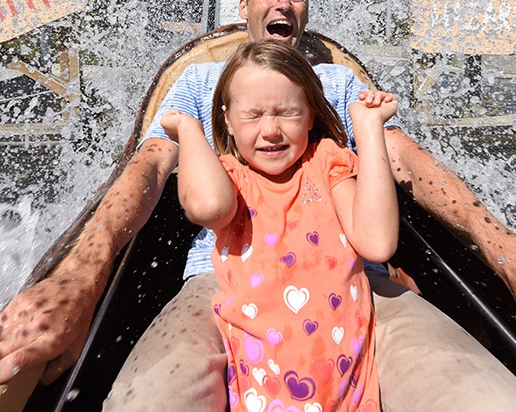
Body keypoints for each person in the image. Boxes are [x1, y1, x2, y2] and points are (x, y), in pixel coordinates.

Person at [0, 0, 516, 411]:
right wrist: (81, 276)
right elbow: (150, 169)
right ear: (246, 6)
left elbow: (405, 161)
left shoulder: (335, 85)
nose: (283, 3)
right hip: (222, 283)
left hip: (357, 281)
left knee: (488, 398)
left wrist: (513, 254)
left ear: (305, 11)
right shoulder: (200, 84)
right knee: (144, 399)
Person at [160, 40, 399, 411]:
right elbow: (208, 207)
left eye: (287, 113)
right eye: (253, 116)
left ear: (310, 115)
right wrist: (189, 130)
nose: (270, 130)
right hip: (264, 388)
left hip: (348, 388)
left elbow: (378, 243)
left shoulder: (326, 163)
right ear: (227, 120)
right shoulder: (230, 178)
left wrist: (368, 130)